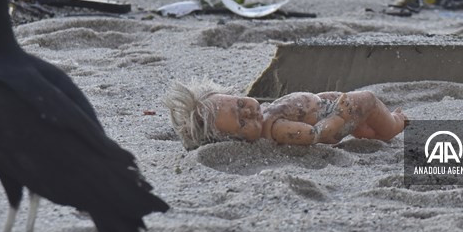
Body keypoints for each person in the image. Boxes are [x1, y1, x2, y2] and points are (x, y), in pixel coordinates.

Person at [164, 77, 408, 150]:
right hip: (335, 117)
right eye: (241, 123)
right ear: (238, 141)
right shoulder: (276, 128)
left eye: (240, 104)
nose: (249, 111)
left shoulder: (265, 115)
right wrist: (339, 117)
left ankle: (373, 133)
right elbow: (314, 134)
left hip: (330, 109)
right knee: (368, 100)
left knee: (364, 127)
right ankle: (394, 125)